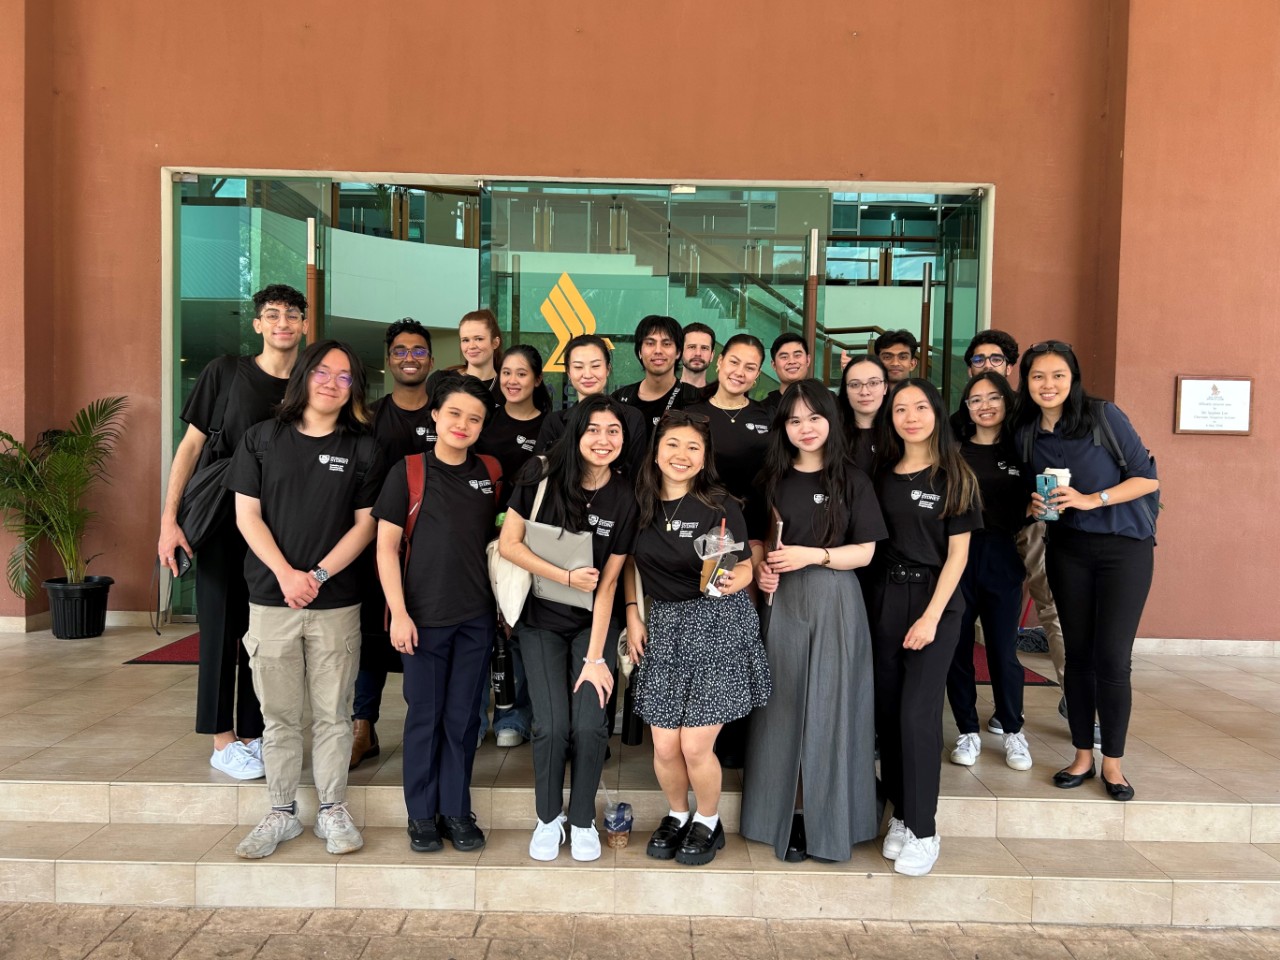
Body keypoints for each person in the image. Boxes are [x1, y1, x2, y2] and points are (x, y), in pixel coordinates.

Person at [227, 339, 385, 859]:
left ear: (354, 388)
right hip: (271, 601)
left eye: (344, 376)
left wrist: (315, 575)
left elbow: (365, 526)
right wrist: (286, 574)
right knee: (278, 716)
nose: (332, 383)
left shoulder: (364, 448)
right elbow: (247, 515)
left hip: (336, 603)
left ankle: (332, 808)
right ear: (304, 376)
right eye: (322, 372)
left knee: (334, 714)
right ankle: (281, 811)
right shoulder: (261, 438)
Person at [157, 283, 309, 781]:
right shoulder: (226, 372)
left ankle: (255, 733)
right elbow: (190, 447)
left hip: (280, 524)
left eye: (292, 314)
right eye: (273, 314)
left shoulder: (309, 382)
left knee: (264, 634)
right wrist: (168, 521)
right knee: (221, 627)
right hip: (224, 515)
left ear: (305, 324)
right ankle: (223, 740)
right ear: (258, 324)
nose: (283, 322)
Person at [741, 380, 886, 864]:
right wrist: (761, 568)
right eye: (794, 420)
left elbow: (865, 552)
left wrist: (814, 555)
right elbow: (758, 540)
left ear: (832, 421)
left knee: (831, 710)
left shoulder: (852, 479)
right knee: (779, 710)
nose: (805, 428)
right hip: (781, 601)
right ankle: (786, 817)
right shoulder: (771, 478)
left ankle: (831, 821)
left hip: (835, 601)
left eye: (814, 417)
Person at [1013, 340, 1158, 802]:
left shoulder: (1102, 416)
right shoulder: (1026, 431)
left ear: (1072, 378)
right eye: (1038, 376)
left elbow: (1147, 478)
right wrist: (1034, 505)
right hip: (1068, 549)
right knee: (1077, 656)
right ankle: (1081, 756)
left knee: (1112, 657)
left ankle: (1112, 763)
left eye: (1058, 375)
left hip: (1124, 547)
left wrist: (1093, 500)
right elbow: (1023, 490)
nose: (1048, 384)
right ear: (1026, 381)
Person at [625, 411, 770, 866]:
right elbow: (627, 562)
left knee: (694, 745)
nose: (681, 455)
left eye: (693, 447)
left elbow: (743, 565)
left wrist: (737, 577)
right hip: (665, 625)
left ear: (705, 458)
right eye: (672, 444)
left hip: (718, 623)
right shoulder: (638, 502)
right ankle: (677, 813)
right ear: (656, 451)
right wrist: (633, 613)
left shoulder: (720, 505)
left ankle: (708, 820)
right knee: (664, 744)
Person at [498, 394, 638, 862]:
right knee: (552, 725)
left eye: (613, 431)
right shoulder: (540, 475)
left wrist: (596, 658)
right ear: (576, 433)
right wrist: (565, 577)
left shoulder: (626, 495)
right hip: (540, 620)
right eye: (593, 429)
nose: (603, 439)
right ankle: (548, 818)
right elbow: (509, 543)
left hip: (592, 625)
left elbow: (610, 582)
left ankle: (581, 820)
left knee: (591, 724)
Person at [374, 376, 502, 854]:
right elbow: (386, 548)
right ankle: (422, 814)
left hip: (475, 619)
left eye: (474, 418)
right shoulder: (408, 471)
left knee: (463, 719)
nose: (463, 424)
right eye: (454, 414)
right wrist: (399, 613)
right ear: (435, 415)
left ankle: (456, 810)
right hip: (422, 620)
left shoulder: (490, 472)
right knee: (425, 717)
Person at [867, 377, 981, 877]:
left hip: (935, 601)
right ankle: (902, 813)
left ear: (936, 412)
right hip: (884, 598)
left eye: (920, 407)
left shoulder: (955, 474)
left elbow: (958, 557)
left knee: (918, 715)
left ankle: (925, 830)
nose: (910, 417)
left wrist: (932, 616)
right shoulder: (879, 474)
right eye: (899, 409)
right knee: (890, 715)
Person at [949, 330, 1070, 734]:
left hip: (1019, 535)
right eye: (979, 359)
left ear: (1010, 368)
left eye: (996, 359)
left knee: (1046, 607)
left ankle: (1074, 702)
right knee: (961, 640)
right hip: (966, 545)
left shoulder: (1027, 424)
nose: (987, 365)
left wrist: (1039, 507)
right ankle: (968, 726)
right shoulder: (955, 434)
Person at [351, 318, 437, 771]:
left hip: (435, 549)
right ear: (389, 360)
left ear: (431, 360)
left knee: (429, 636)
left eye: (418, 350)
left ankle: (429, 727)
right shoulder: (368, 418)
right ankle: (362, 727)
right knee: (371, 636)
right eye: (400, 351)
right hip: (378, 544)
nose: (409, 358)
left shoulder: (445, 414)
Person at [945, 372, 1033, 772]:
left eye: (993, 397)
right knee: (958, 650)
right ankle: (967, 730)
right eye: (975, 399)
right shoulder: (953, 450)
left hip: (1001, 556)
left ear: (1006, 402)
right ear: (966, 408)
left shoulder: (1021, 450)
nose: (984, 405)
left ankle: (1013, 729)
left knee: (1002, 650)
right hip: (957, 557)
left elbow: (1035, 500)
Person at [474, 344, 552, 748]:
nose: (512, 380)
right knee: (484, 629)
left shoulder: (551, 427)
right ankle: (479, 719)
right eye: (506, 372)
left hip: (530, 543)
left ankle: (520, 716)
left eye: (522, 373)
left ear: (537, 379)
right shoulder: (484, 422)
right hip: (481, 537)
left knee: (521, 626)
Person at [536, 334, 647, 477]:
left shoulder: (632, 418)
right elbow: (542, 475)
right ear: (568, 372)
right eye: (578, 367)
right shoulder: (554, 423)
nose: (587, 374)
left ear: (608, 369)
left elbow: (637, 476)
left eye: (595, 366)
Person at [613, 315, 701, 441]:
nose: (658, 350)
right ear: (640, 352)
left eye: (666, 344)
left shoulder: (694, 399)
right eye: (650, 343)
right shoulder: (619, 400)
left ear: (678, 352)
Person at [425, 308, 504, 405]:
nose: (471, 346)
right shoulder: (439, 380)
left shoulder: (508, 387)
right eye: (465, 340)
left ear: (495, 343)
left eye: (479, 339)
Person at [837, 353, 890, 474]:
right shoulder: (832, 433)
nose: (864, 392)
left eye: (873, 383)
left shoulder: (899, 431)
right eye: (855, 384)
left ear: (885, 387)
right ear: (846, 390)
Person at [761, 333, 812, 415]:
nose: (792, 361)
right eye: (784, 357)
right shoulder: (762, 410)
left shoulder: (826, 400)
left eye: (797, 355)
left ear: (808, 360)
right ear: (774, 365)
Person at [679, 322, 716, 390]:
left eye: (704, 348)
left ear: (712, 355)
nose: (698, 353)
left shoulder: (719, 395)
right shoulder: (663, 393)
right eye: (692, 347)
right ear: (680, 352)